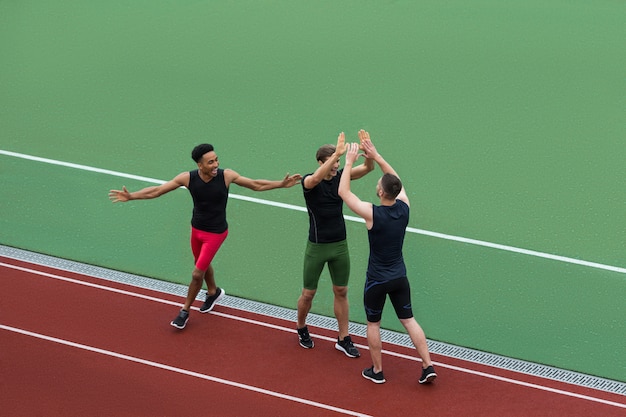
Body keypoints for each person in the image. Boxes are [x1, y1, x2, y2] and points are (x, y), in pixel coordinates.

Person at [109, 143, 301, 329]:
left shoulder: (226, 176)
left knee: (196, 273)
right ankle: (213, 292)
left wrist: (281, 184)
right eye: (210, 162)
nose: (216, 164)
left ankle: (184, 311)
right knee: (203, 263)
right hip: (196, 230)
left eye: (216, 160)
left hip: (216, 233)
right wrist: (132, 196)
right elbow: (157, 191)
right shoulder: (187, 178)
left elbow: (255, 185)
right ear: (199, 165)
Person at [338, 130, 437, 384]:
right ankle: (428, 365)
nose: (378, 184)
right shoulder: (404, 209)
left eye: (379, 184)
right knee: (409, 320)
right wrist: (377, 156)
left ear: (382, 193)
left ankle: (378, 371)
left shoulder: (372, 214)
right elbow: (397, 182)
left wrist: (348, 163)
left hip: (377, 281)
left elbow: (344, 193)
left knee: (373, 324)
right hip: (399, 277)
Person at [296, 132, 374, 358]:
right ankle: (301, 326)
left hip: (339, 245)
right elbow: (314, 179)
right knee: (308, 294)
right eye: (333, 161)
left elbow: (367, 169)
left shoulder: (341, 177)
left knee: (341, 290)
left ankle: (343, 337)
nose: (337, 166)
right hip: (317, 247)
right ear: (321, 162)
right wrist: (337, 154)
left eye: (339, 161)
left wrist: (368, 154)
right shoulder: (309, 182)